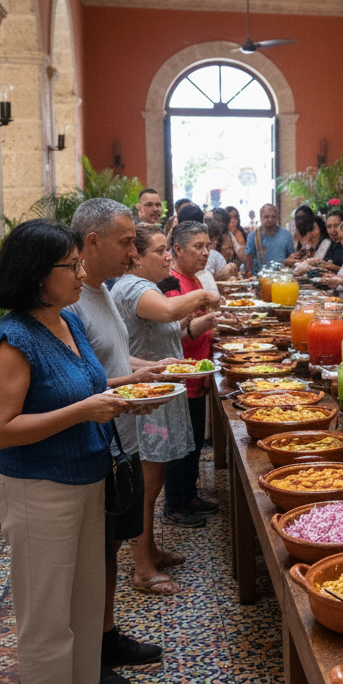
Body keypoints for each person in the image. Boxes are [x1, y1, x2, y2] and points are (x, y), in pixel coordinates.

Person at [0, 219, 138, 684]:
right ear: (35, 276)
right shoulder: (14, 339)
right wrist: (84, 412)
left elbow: (89, 389)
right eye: (69, 266)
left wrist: (134, 388)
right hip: (38, 489)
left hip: (86, 478)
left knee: (83, 599)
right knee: (45, 616)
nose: (79, 274)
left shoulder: (66, 320)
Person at [71, 199, 172, 684]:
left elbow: (108, 355)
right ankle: (88, 653)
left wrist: (141, 372)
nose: (133, 251)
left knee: (111, 547)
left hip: (123, 435)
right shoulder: (71, 302)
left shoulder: (103, 291)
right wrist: (127, 386)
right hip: (99, 441)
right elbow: (77, 383)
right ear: (92, 243)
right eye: (126, 241)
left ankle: (107, 635)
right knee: (94, 551)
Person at [113, 225, 221, 571]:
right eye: (159, 251)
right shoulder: (134, 288)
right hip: (144, 398)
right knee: (146, 486)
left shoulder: (146, 286)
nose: (166, 257)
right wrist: (205, 296)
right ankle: (143, 567)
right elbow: (171, 312)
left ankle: (152, 550)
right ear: (137, 258)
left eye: (166, 250)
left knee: (154, 480)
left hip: (157, 389)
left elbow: (173, 327)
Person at [164, 222, 222, 524]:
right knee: (181, 444)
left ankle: (189, 494)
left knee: (194, 440)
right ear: (177, 250)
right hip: (180, 377)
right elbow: (179, 335)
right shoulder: (172, 284)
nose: (205, 252)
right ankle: (175, 504)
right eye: (198, 246)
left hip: (197, 374)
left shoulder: (194, 280)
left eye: (208, 245)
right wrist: (211, 319)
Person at [244, 203, 295, 274]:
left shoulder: (286, 235)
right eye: (266, 217)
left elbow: (292, 257)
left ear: (277, 218)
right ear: (261, 217)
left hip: (281, 278)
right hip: (259, 278)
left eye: (273, 217)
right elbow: (248, 259)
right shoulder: (253, 236)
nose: (270, 219)